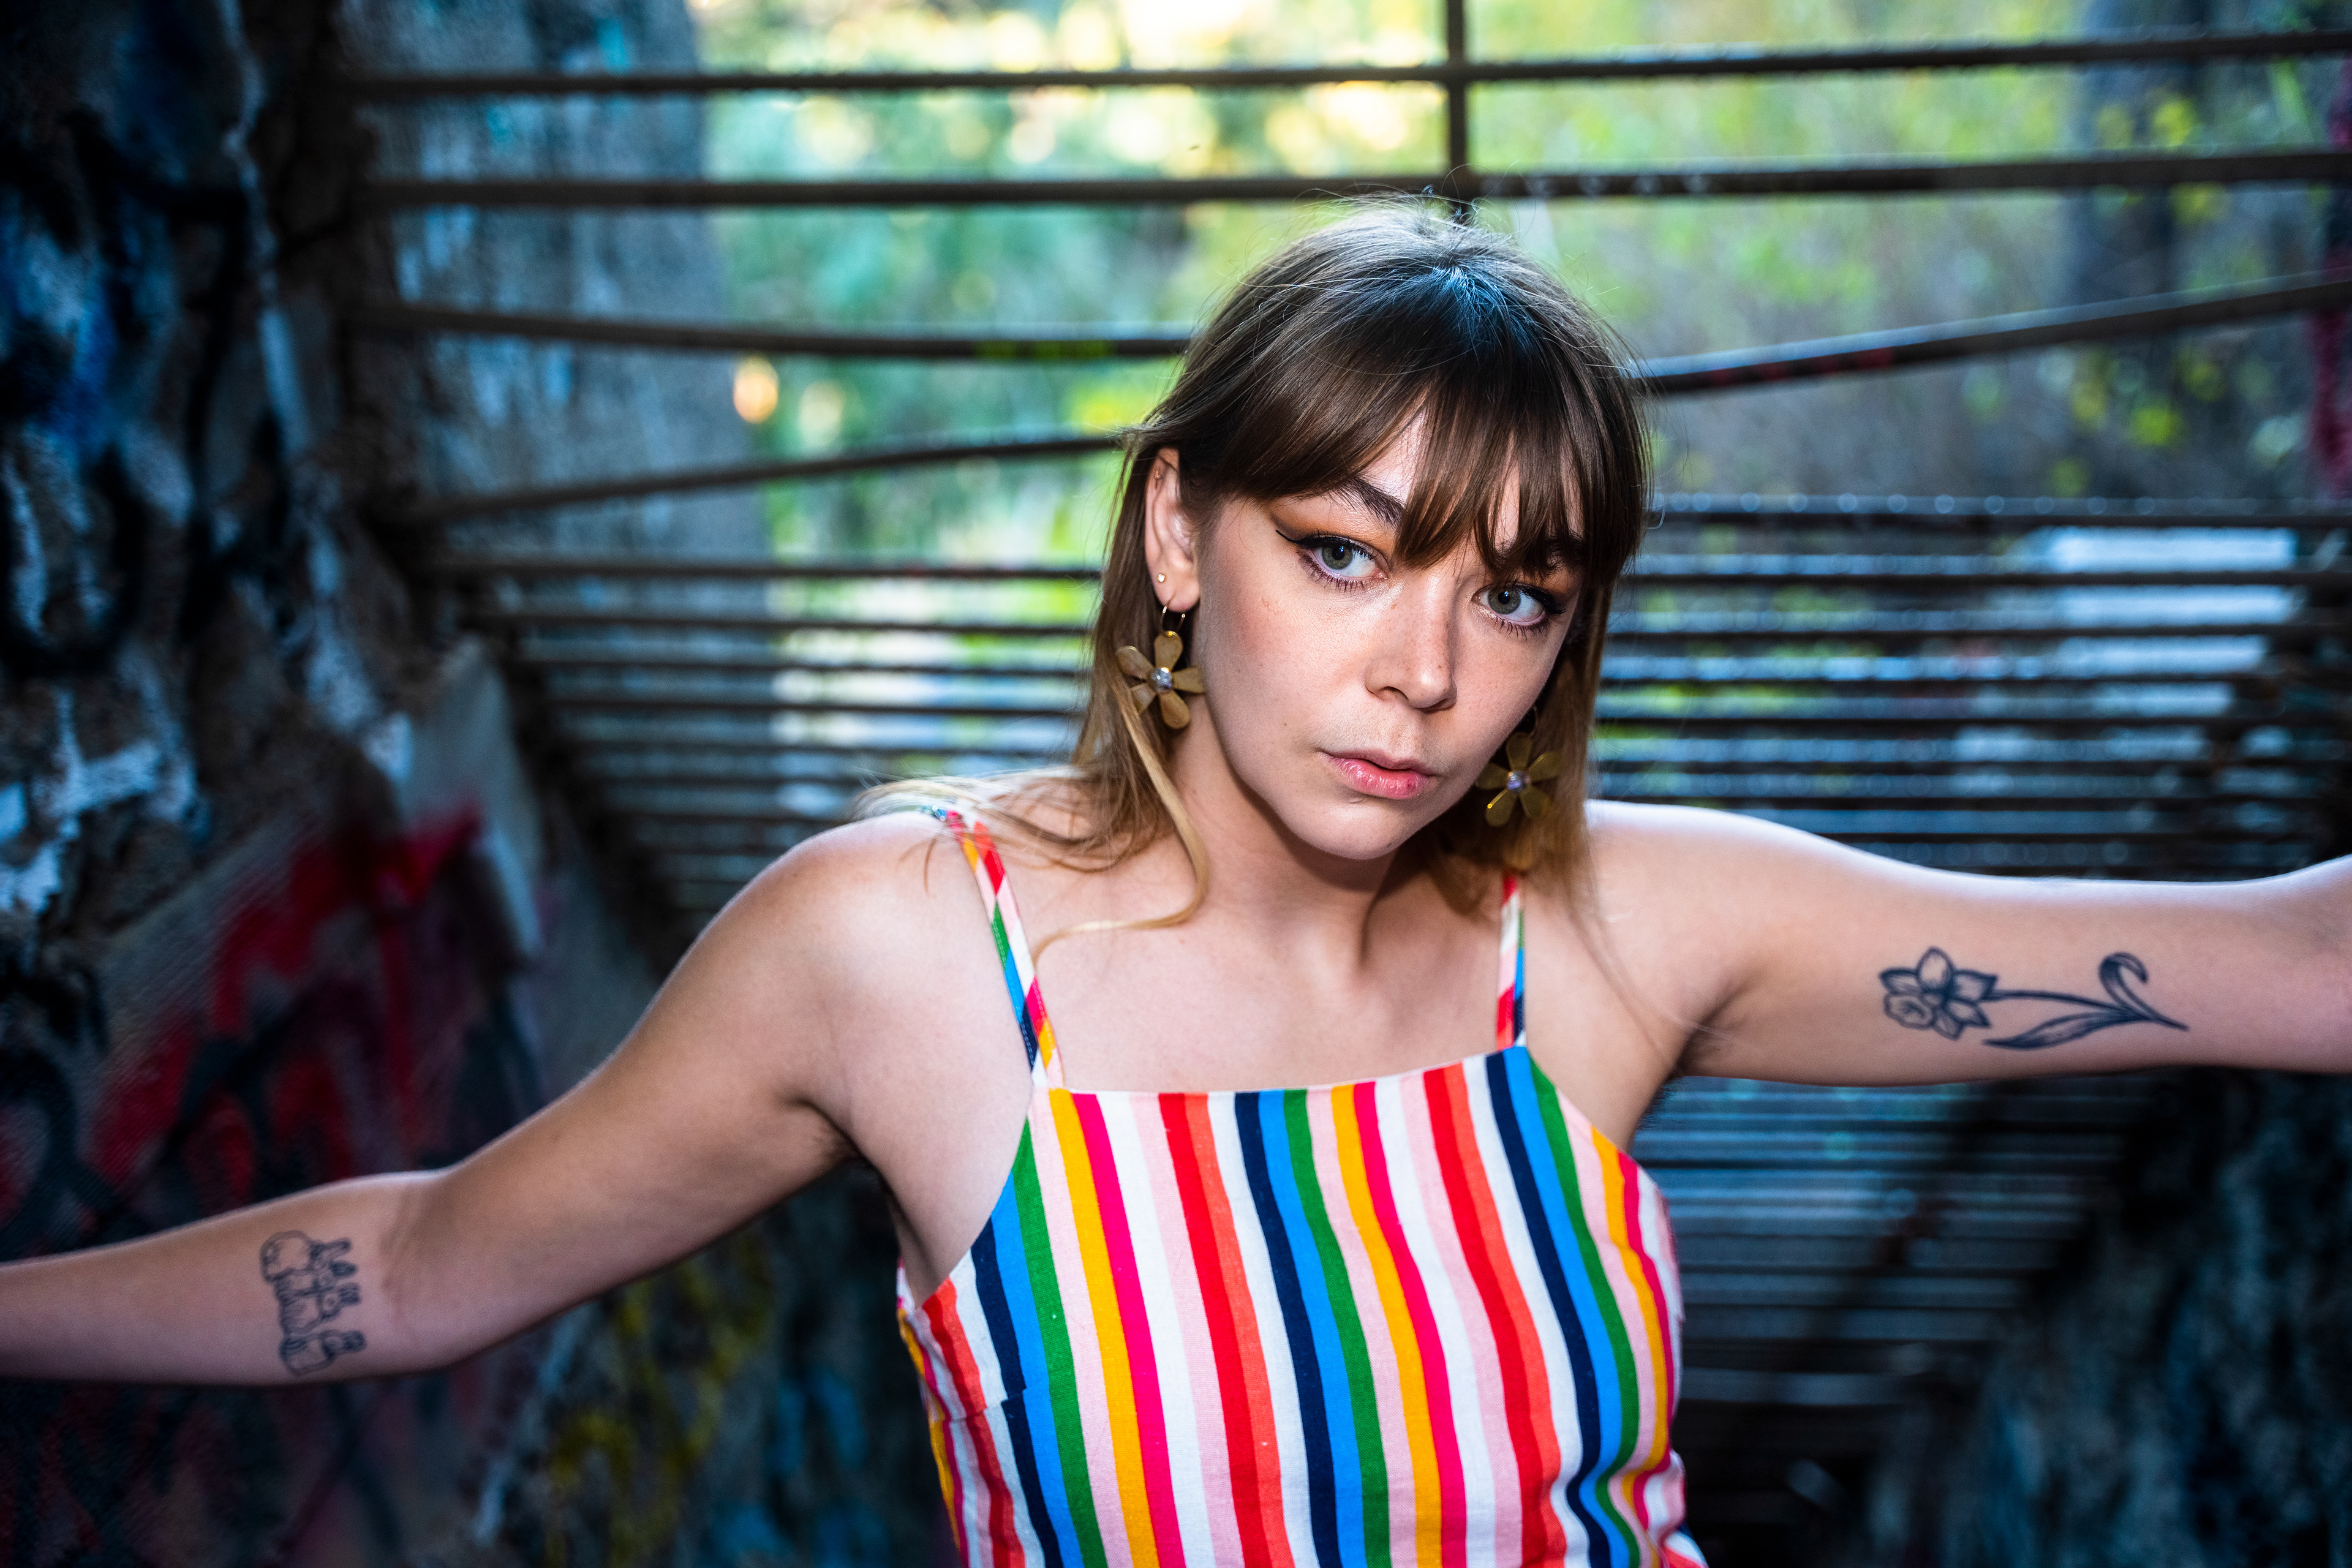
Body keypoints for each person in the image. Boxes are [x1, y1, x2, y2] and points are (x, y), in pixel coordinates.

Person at [2, 210, 2346, 1568]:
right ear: (1177, 531)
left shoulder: (1614, 930)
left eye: (1516, 595)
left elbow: (2268, 959)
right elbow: (423, 1263)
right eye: (1343, 553)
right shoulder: (904, 957)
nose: (1426, 670)